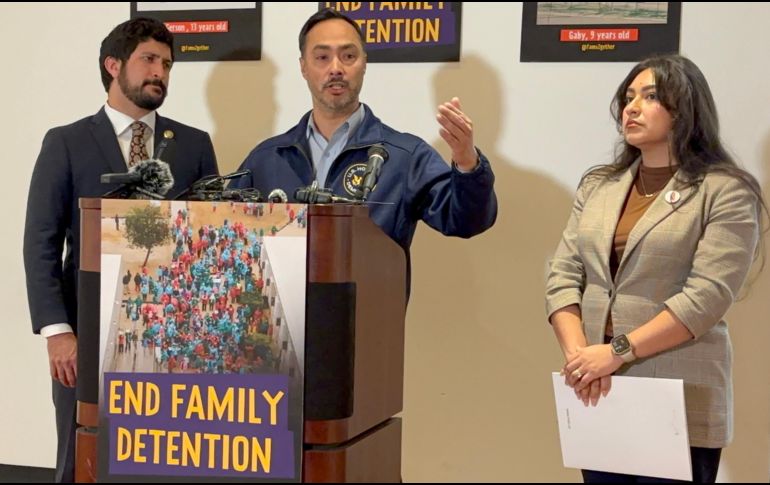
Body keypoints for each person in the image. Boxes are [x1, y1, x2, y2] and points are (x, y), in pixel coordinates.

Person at [545, 54, 766, 483]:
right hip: (597, 389)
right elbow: (563, 274)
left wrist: (614, 353)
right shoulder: (599, 185)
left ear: (684, 110)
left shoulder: (725, 190)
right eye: (628, 97)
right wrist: (580, 358)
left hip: (678, 392)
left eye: (649, 97)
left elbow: (706, 298)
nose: (631, 107)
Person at [23, 17, 218, 482]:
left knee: (168, 456)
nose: (160, 73)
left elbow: (210, 239)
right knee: (81, 457)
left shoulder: (193, 145)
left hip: (173, 333)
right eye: (149, 60)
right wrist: (58, 332)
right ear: (113, 65)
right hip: (86, 333)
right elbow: (41, 242)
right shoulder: (66, 142)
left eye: (167, 65)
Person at [231, 8, 497, 261]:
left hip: (368, 306)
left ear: (364, 63)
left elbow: (466, 221)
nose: (336, 68)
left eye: (348, 56)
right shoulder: (267, 158)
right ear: (303, 67)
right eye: (322, 57)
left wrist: (466, 163)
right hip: (277, 308)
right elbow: (224, 228)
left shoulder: (403, 156)